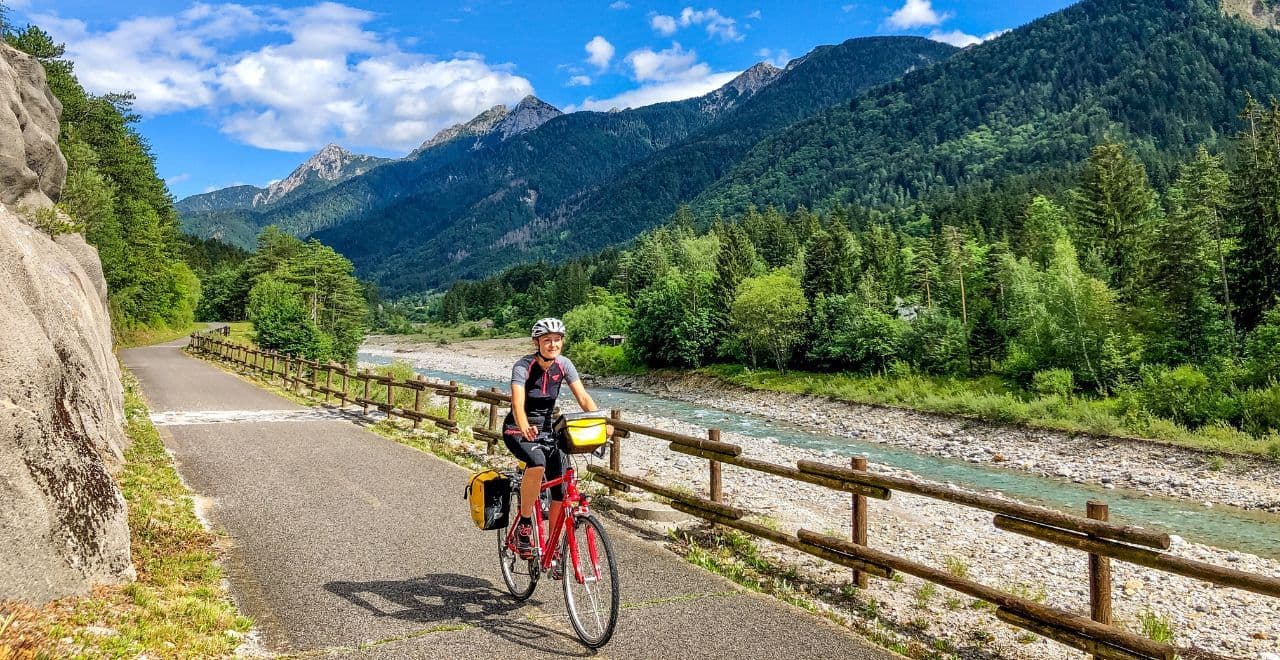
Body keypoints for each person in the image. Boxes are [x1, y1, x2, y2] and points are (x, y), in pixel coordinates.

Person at [502, 317, 610, 555]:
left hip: (547, 431)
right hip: (516, 430)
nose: (553, 344)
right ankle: (525, 524)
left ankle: (554, 546)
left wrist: (600, 423)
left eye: (557, 340)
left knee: (561, 488)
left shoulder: (564, 365)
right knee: (537, 463)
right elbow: (517, 403)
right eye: (547, 340)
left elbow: (583, 398)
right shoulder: (523, 366)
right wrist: (523, 425)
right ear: (536, 342)